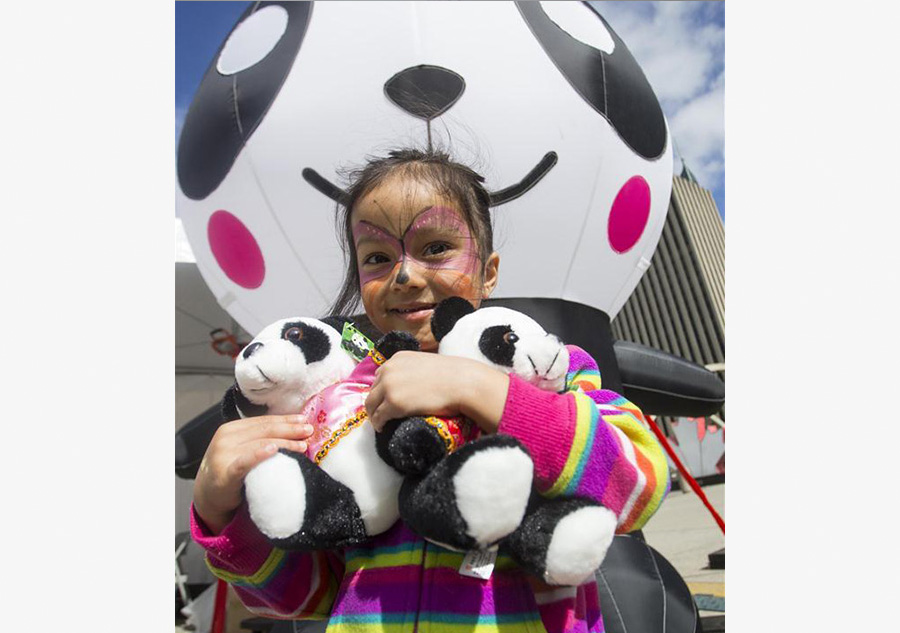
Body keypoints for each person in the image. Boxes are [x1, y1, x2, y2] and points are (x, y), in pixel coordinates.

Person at [191, 148, 670, 632]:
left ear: (488, 271)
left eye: (437, 247)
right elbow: (306, 595)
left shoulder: (545, 369)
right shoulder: (345, 406)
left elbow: (639, 483)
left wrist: (481, 390)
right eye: (377, 257)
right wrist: (219, 514)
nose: (405, 274)